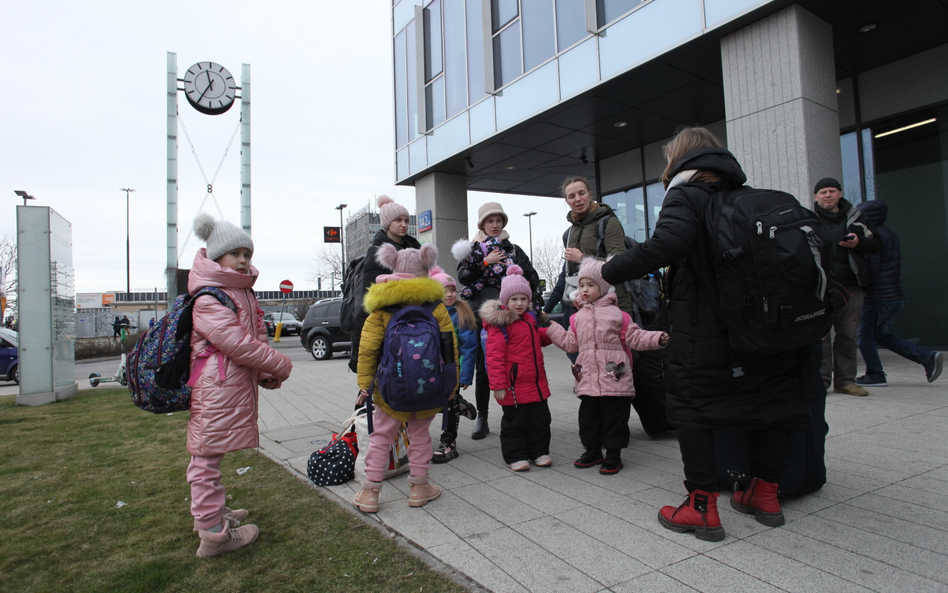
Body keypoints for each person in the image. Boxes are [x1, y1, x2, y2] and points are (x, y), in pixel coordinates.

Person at [602, 127, 815, 542]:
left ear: (679, 160)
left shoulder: (687, 194)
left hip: (707, 329)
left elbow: (666, 245)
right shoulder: (747, 196)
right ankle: (765, 494)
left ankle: (700, 508)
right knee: (770, 403)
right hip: (768, 329)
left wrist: (606, 270)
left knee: (690, 410)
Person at [187, 213, 293, 558]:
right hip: (215, 387)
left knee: (210, 455)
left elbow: (255, 334)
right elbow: (236, 343)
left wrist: (264, 373)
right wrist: (280, 364)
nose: (244, 259)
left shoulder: (238, 292)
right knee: (205, 457)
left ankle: (212, 514)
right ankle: (214, 535)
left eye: (247, 253)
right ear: (217, 256)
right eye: (236, 254)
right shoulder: (210, 297)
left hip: (227, 384)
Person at [353, 243, 456, 513]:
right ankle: (419, 488)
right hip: (430, 386)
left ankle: (369, 492)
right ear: (426, 267)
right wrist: (451, 384)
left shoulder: (382, 306)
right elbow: (450, 347)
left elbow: (368, 349)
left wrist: (364, 384)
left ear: (392, 265)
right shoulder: (435, 305)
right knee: (420, 436)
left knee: (381, 437)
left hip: (390, 388)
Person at [545, 257, 668, 475]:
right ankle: (592, 450)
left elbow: (635, 337)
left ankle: (613, 454)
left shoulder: (618, 315)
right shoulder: (576, 318)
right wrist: (550, 327)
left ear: (602, 287)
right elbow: (570, 344)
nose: (584, 290)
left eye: (590, 285)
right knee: (588, 417)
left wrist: (657, 338)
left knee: (615, 417)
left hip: (615, 375)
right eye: (581, 285)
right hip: (588, 377)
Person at [454, 202, 543, 440]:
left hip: (512, 316)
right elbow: (463, 276)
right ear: (482, 224)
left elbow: (532, 277)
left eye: (498, 220)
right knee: (484, 368)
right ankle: (482, 416)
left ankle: (518, 412)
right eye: (490, 221)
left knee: (517, 364)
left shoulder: (513, 249)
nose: (495, 225)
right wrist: (486, 262)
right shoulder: (474, 248)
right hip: (481, 314)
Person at [855, 200, 943, 386]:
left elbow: (871, 269)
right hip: (892, 295)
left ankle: (875, 375)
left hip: (878, 297)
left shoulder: (875, 237)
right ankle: (927, 358)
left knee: (864, 338)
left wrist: (858, 286)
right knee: (880, 335)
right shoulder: (889, 234)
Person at [479, 265, 553, 472]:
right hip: (513, 385)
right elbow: (494, 357)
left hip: (536, 383)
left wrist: (551, 335)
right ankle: (516, 455)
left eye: (523, 299)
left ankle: (538, 451)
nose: (519, 303)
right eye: (514, 299)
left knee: (540, 420)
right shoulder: (499, 325)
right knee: (515, 422)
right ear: (505, 302)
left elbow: (535, 341)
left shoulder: (530, 320)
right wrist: (498, 385)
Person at [811, 177, 881, 397]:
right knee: (820, 336)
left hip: (851, 286)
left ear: (840, 194)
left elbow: (878, 244)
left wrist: (859, 243)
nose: (828, 195)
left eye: (832, 191)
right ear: (816, 197)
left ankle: (845, 381)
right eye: (823, 192)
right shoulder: (807, 219)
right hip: (819, 288)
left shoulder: (858, 217)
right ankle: (820, 381)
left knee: (848, 335)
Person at [348, 195, 421, 372]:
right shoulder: (377, 252)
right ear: (387, 223)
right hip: (389, 321)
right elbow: (372, 294)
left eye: (406, 220)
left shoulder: (414, 249)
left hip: (413, 318)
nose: (403, 224)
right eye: (398, 220)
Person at [428, 266, 478, 463]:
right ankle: (460, 405)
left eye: (452, 290)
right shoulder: (429, 312)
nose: (449, 294)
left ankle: (449, 442)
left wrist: (465, 375)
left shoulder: (461, 312)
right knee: (431, 402)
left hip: (452, 370)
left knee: (449, 404)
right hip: (431, 369)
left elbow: (469, 347)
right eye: (444, 290)